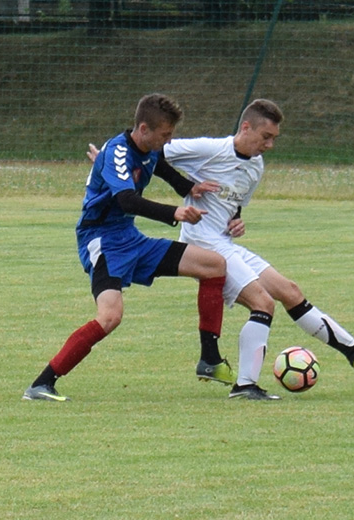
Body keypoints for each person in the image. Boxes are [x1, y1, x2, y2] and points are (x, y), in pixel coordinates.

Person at [91, 99, 354, 400]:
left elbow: (234, 207)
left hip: (225, 242)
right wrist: (108, 163)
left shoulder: (256, 167)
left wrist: (236, 221)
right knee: (263, 303)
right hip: (203, 244)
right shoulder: (210, 150)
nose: (270, 145)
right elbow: (151, 150)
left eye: (274, 138)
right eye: (266, 137)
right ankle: (245, 386)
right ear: (246, 127)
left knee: (289, 290)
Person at [22, 93, 229, 402]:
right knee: (110, 316)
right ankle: (41, 384)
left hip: (130, 237)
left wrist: (189, 188)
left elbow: (159, 166)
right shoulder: (118, 151)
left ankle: (210, 360)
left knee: (214, 266)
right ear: (143, 129)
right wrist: (174, 211)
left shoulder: (147, 148)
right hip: (102, 239)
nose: (168, 141)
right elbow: (126, 200)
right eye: (165, 135)